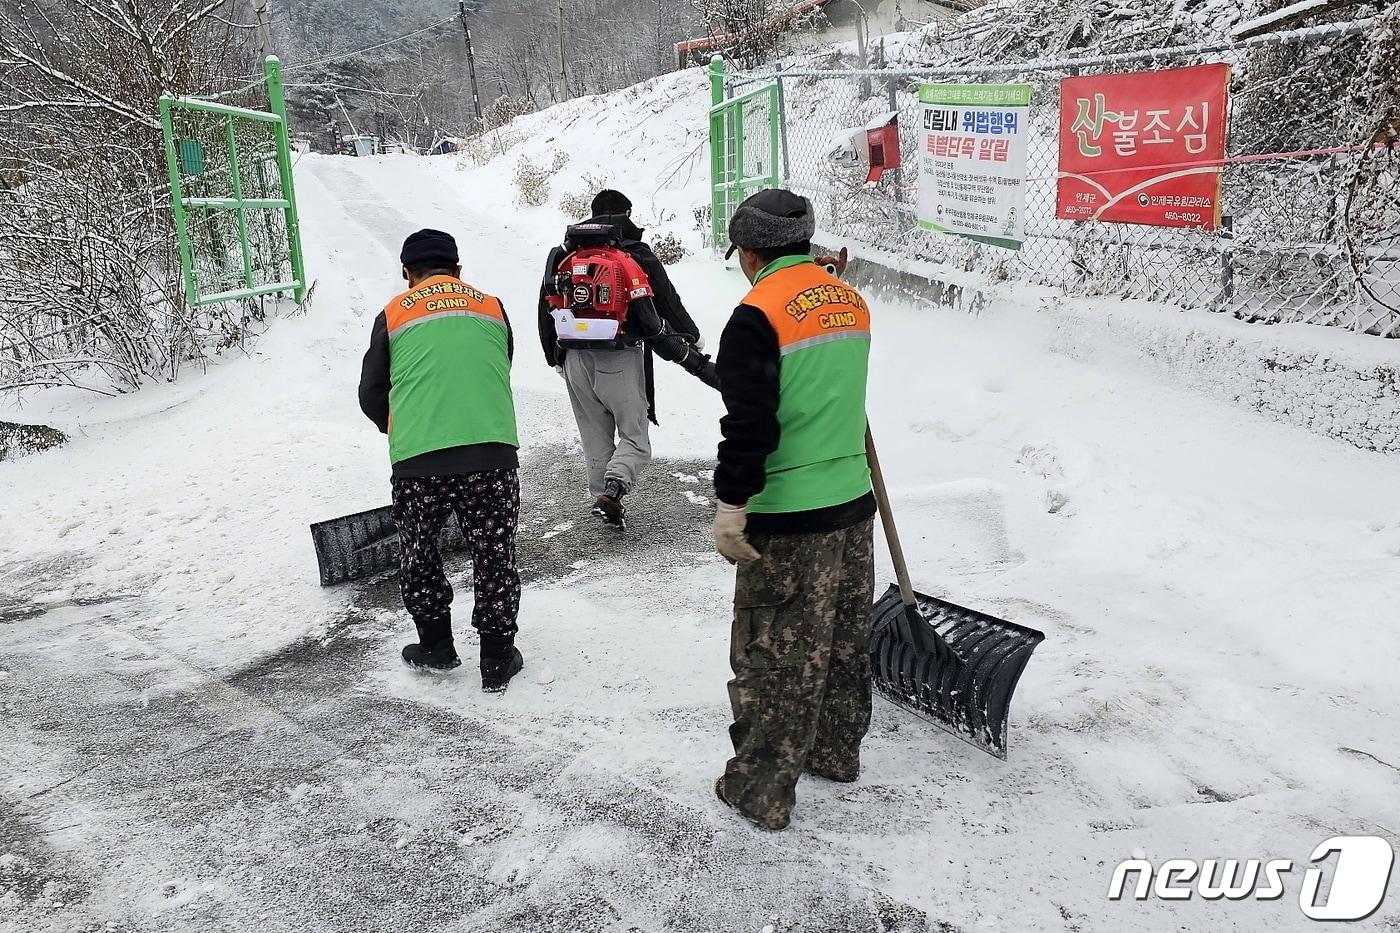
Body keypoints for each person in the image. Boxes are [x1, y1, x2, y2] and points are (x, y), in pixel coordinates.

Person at [709, 190, 877, 831]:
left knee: (773, 652)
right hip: (850, 502)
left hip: (787, 512)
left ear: (750, 252)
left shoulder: (755, 314)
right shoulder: (850, 300)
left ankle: (759, 790)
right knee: (837, 639)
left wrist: (732, 504)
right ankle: (835, 751)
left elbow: (750, 424)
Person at [358, 229, 525, 693]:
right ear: (458, 270)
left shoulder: (393, 314)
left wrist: (404, 426)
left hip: (418, 462)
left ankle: (436, 647)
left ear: (408, 274)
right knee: (494, 553)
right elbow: (499, 362)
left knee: (420, 552)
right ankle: (496, 657)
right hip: (491, 454)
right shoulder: (492, 307)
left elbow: (371, 392)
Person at [538, 189, 714, 530]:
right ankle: (614, 491)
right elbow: (666, 301)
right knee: (635, 437)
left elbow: (545, 307)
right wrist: (690, 337)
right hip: (619, 356)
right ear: (627, 212)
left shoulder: (566, 255)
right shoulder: (632, 252)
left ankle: (603, 500)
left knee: (594, 436)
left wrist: (554, 358)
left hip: (573, 356)